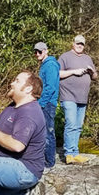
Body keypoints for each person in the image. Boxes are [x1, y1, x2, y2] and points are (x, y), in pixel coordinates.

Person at [57, 35, 96, 163]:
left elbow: (95, 76)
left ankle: (75, 152)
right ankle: (68, 154)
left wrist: (91, 72)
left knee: (78, 126)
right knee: (71, 124)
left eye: (82, 44)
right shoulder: (65, 57)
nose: (80, 46)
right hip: (68, 96)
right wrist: (74, 71)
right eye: (78, 43)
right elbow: (57, 73)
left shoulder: (87, 58)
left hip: (82, 98)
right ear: (73, 43)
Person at [33, 42, 60, 171]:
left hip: (48, 103)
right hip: (45, 102)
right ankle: (46, 159)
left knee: (48, 132)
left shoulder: (50, 65)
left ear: (46, 51)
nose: (37, 54)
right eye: (36, 52)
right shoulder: (45, 65)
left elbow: (50, 88)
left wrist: (40, 103)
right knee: (43, 131)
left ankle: (49, 161)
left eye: (40, 51)